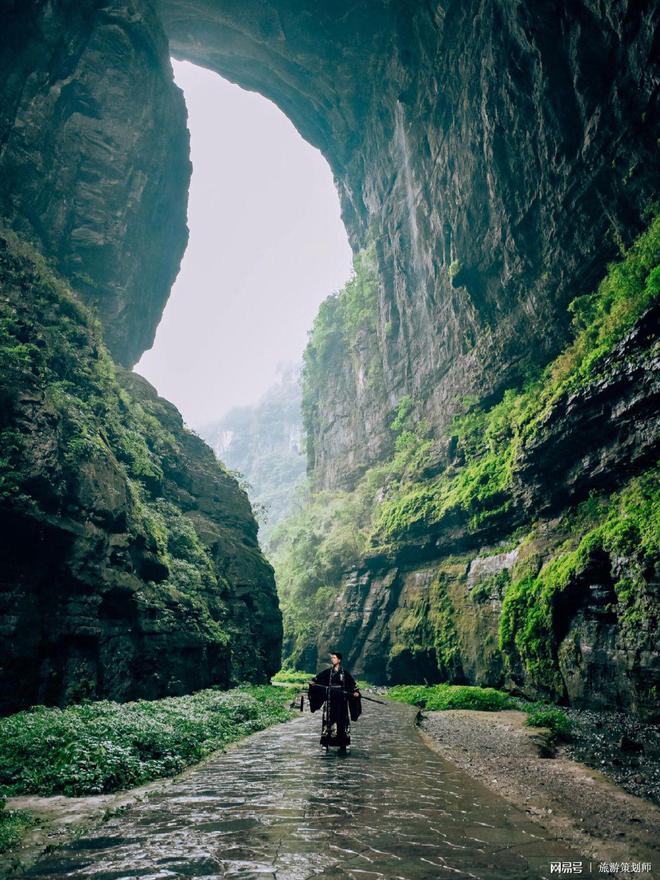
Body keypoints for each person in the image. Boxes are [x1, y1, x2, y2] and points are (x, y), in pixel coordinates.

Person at [308, 651, 362, 753]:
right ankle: (325, 743)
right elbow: (317, 679)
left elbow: (352, 685)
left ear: (339, 660)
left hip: (341, 702)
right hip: (330, 702)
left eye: (334, 658)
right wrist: (313, 683)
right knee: (328, 721)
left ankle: (343, 744)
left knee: (342, 722)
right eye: (332, 658)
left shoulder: (344, 673)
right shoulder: (328, 672)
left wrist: (355, 692)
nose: (332, 659)